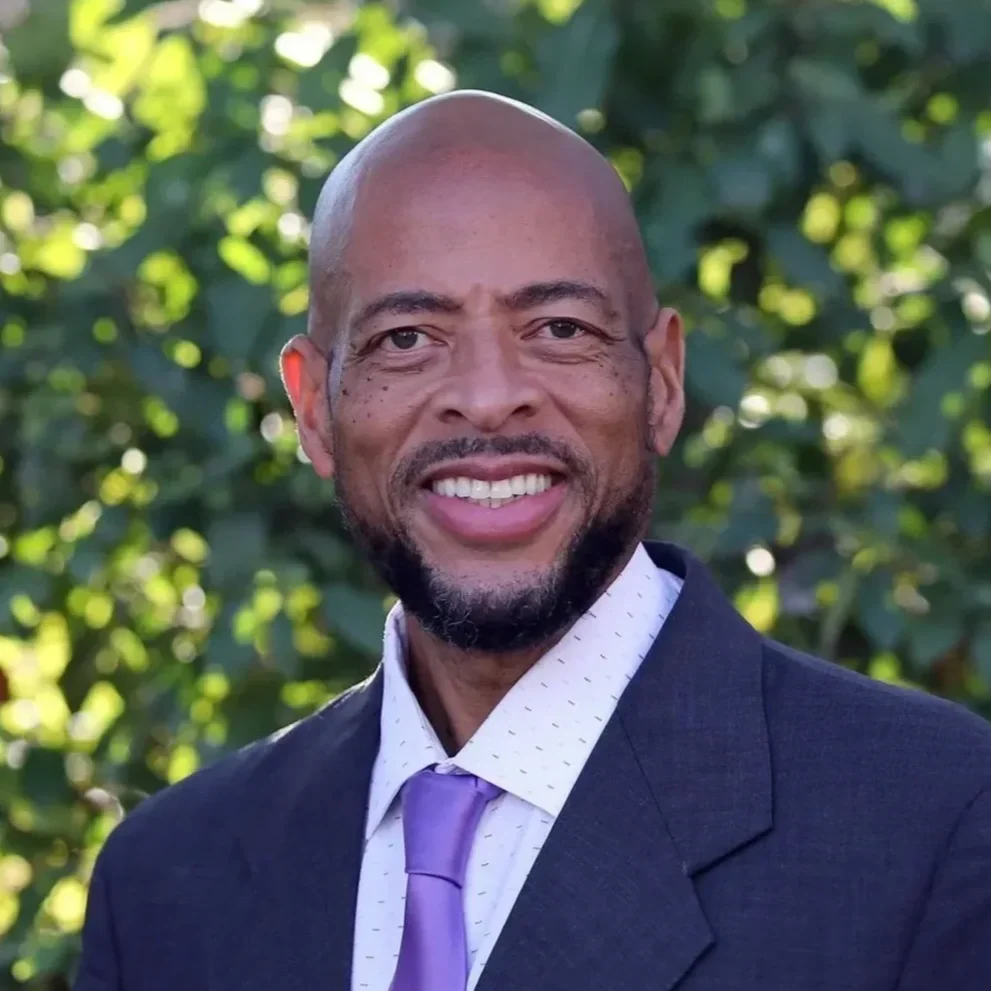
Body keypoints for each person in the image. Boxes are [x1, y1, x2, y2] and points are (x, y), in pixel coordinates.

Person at [75, 90, 991, 991]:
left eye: (558, 328)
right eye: (406, 337)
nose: (485, 393)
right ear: (313, 407)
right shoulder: (164, 885)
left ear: (661, 383)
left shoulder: (935, 824)